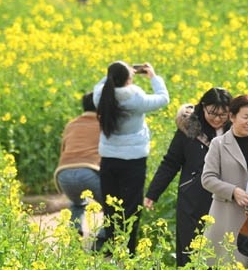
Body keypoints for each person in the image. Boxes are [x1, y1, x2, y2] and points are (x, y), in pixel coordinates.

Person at [144, 87, 233, 267]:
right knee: (190, 245)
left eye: (223, 115)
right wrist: (153, 193)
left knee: (223, 247)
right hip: (193, 196)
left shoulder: (235, 130)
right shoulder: (190, 129)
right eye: (212, 113)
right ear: (203, 106)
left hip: (226, 198)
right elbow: (171, 162)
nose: (217, 119)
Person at [93, 61, 170, 255]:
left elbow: (102, 84)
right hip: (134, 159)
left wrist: (117, 71)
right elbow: (163, 99)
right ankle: (128, 250)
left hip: (109, 158)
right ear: (129, 79)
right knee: (132, 205)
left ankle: (110, 247)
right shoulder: (136, 98)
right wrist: (153, 77)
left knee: (111, 204)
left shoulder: (101, 97)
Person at [201, 94, 248, 270]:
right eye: (245, 117)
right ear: (232, 117)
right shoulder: (218, 144)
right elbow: (208, 178)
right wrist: (233, 191)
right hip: (226, 216)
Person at [53, 92, 102, 238]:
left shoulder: (71, 124)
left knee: (78, 203)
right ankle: (103, 238)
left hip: (63, 174)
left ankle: (74, 231)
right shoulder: (104, 123)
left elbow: (63, 149)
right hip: (89, 172)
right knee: (111, 204)